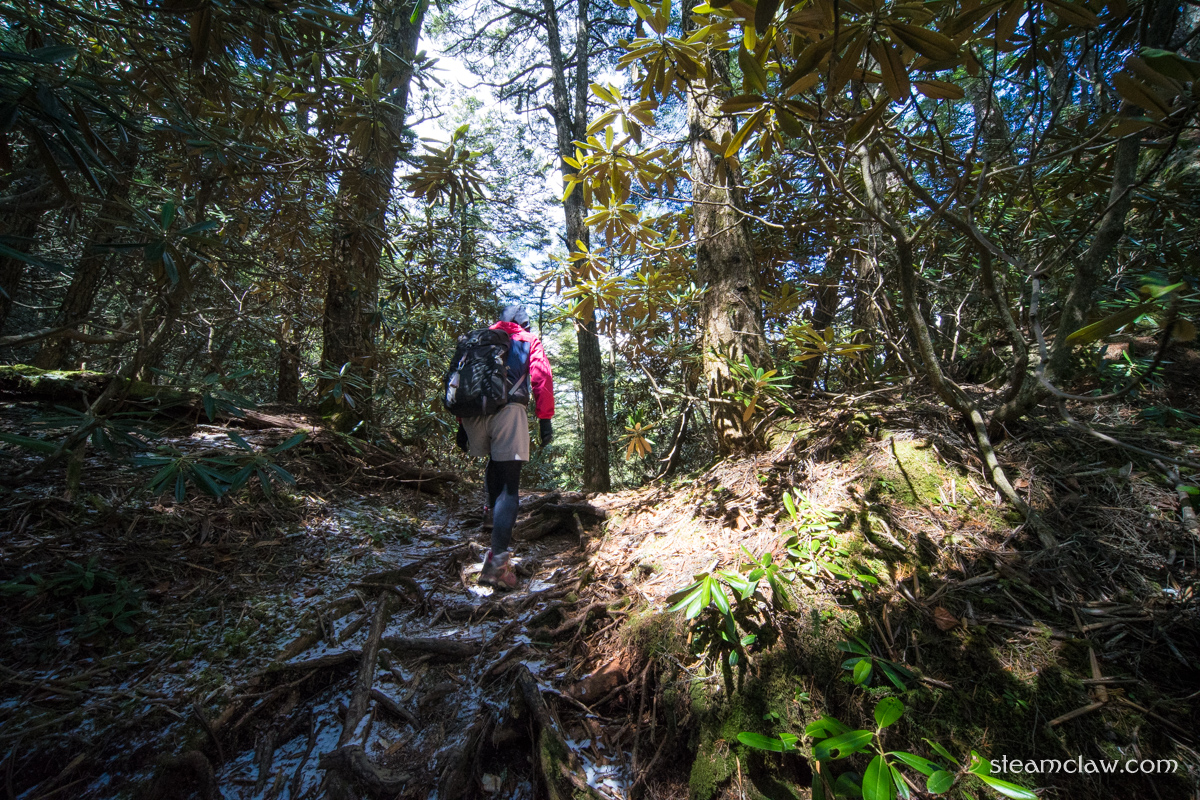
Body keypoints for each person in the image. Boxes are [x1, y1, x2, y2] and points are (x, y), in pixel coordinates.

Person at [456, 304, 553, 589]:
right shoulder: (527, 339)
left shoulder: (477, 339)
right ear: (524, 324)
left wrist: (460, 424)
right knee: (510, 485)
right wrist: (545, 419)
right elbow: (541, 377)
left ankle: (490, 515)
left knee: (495, 462)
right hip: (509, 411)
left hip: (472, 414)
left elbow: (458, 380)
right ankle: (497, 566)